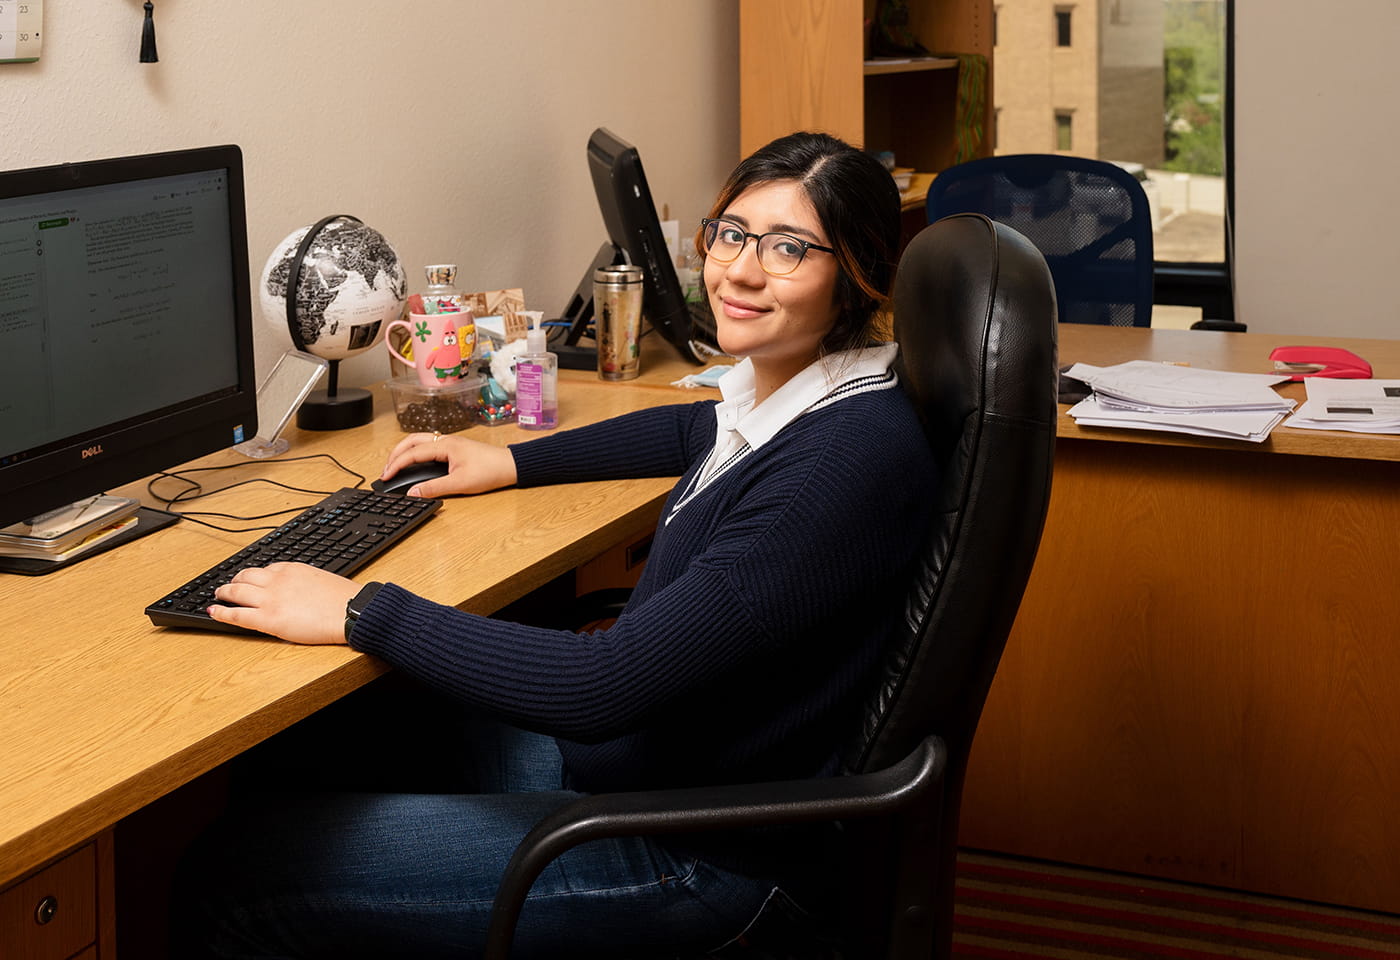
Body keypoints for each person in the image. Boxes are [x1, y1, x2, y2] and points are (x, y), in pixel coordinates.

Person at [176, 131, 938, 958]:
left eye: (790, 249)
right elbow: (695, 428)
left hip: (698, 853)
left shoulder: (837, 468)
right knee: (311, 749)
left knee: (233, 873)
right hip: (651, 767)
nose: (740, 270)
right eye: (732, 234)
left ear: (858, 275)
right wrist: (505, 460)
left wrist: (362, 609)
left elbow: (603, 687)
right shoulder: (817, 390)